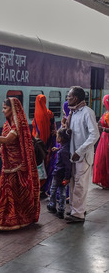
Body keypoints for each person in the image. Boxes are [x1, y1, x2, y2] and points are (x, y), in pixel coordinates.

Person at [0, 97, 40, 230]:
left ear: (12, 109)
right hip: (8, 164)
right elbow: (7, 143)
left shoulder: (17, 124)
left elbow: (8, 139)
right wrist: (2, 149)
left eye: (5, 108)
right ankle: (5, 216)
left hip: (17, 165)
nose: (2, 111)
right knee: (7, 191)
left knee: (14, 192)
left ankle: (16, 217)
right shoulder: (8, 124)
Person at [65, 86, 100, 223]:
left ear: (76, 98)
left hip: (82, 156)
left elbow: (94, 135)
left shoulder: (87, 113)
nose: (67, 98)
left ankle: (78, 214)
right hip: (73, 155)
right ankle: (76, 209)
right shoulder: (73, 113)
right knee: (74, 184)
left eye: (69, 96)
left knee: (80, 185)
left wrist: (80, 151)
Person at [32, 94, 57, 195]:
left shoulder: (37, 114)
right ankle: (44, 187)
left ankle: (38, 187)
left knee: (37, 164)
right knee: (45, 164)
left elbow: (37, 133)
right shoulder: (50, 113)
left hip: (38, 144)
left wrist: (34, 142)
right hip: (48, 143)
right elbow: (53, 128)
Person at [47, 127, 72, 219]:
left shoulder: (63, 151)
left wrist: (67, 177)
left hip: (58, 174)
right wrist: (58, 150)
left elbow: (67, 164)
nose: (56, 138)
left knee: (53, 190)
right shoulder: (66, 148)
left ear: (61, 138)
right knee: (62, 191)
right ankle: (61, 209)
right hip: (62, 175)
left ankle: (52, 205)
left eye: (57, 136)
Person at [93, 95, 109, 189]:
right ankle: (103, 181)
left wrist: (103, 129)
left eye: (104, 102)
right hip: (103, 139)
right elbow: (100, 122)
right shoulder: (106, 113)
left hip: (107, 138)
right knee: (102, 159)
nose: (103, 104)